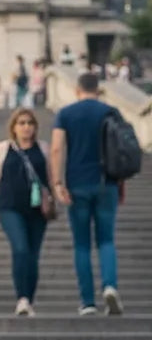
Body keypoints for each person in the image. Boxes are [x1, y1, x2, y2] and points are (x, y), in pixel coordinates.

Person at [50, 72, 124, 315]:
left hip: (77, 184)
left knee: (81, 244)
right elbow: (120, 149)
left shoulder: (66, 113)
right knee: (106, 240)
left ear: (77, 89)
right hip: (107, 182)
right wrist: (120, 182)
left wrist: (58, 182)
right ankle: (110, 286)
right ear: (98, 89)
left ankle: (87, 302)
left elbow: (57, 148)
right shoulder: (110, 112)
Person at [0, 108, 52, 316]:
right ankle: (21, 297)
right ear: (13, 127)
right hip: (10, 207)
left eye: (30, 123)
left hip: (37, 210)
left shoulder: (44, 149)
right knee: (20, 248)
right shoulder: (3, 149)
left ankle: (29, 298)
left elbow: (52, 176)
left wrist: (55, 197)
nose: (26, 127)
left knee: (33, 255)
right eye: (21, 123)